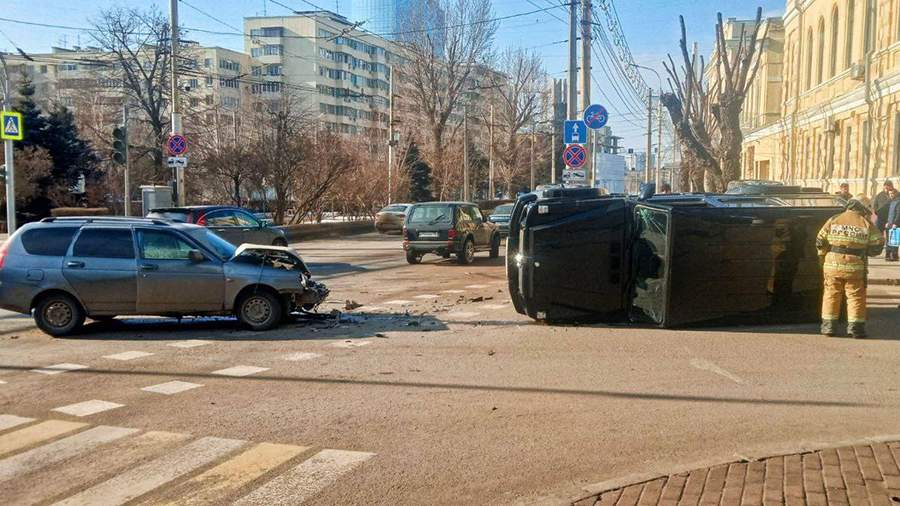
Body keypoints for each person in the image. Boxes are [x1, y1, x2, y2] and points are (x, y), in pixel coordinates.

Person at [816, 194, 884, 338]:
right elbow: (878, 244)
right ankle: (855, 329)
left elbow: (820, 241)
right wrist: (866, 251)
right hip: (855, 267)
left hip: (832, 264)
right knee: (855, 296)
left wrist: (822, 257)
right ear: (863, 208)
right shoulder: (866, 223)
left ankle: (829, 327)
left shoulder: (834, 219)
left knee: (831, 294)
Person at [886, 188, 900, 261]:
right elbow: (890, 214)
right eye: (890, 194)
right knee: (889, 240)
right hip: (890, 223)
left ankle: (894, 256)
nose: (891, 195)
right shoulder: (892, 202)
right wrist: (888, 222)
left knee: (894, 240)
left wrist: (895, 223)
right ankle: (889, 255)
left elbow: (898, 214)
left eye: (892, 194)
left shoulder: (898, 202)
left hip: (895, 224)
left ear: (896, 194)